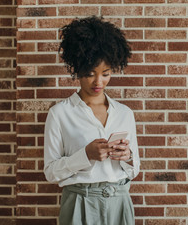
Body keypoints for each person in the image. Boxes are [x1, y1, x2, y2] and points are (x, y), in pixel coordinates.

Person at [43, 16, 140, 225]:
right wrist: (85, 155)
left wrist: (127, 156)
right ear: (77, 69)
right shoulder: (60, 114)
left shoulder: (125, 113)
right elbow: (51, 172)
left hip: (120, 201)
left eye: (105, 74)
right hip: (79, 201)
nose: (98, 82)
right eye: (90, 74)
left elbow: (135, 168)